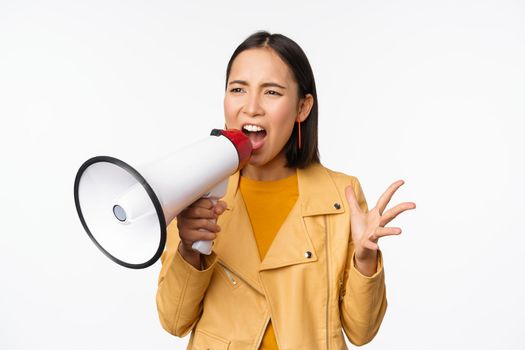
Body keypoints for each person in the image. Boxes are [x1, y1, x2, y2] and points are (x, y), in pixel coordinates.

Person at [156, 31, 416, 349]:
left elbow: (362, 331)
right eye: (238, 89)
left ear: (302, 108)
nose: (251, 108)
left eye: (272, 93)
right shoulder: (194, 189)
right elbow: (174, 321)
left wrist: (364, 260)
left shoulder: (342, 195)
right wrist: (189, 249)